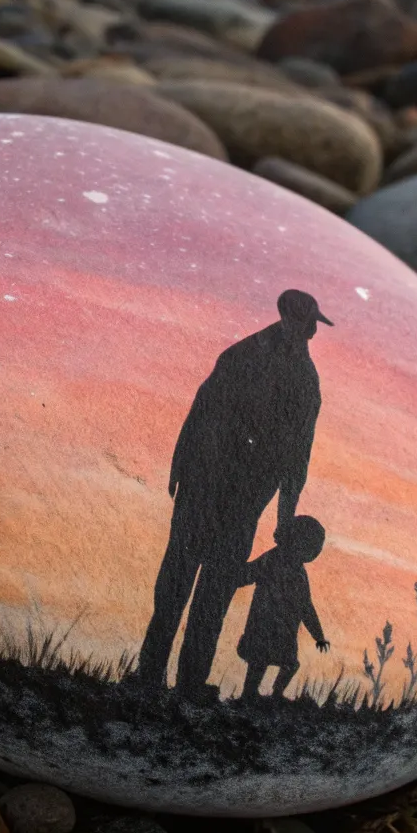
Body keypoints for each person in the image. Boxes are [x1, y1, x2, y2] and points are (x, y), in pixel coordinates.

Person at [136, 290, 333, 695]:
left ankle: (188, 685)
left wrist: (284, 516)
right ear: (293, 320)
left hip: (240, 502)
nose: (312, 332)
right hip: (205, 490)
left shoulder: (301, 379)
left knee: (212, 595)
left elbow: (297, 456)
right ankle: (151, 676)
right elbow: (203, 410)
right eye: (309, 323)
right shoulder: (247, 357)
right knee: (176, 587)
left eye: (313, 325)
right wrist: (181, 465)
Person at [236, 515, 330, 701]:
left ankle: (275, 694)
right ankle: (249, 694)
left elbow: (306, 606)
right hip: (263, 624)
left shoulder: (298, 571)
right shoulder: (273, 559)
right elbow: (248, 574)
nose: (315, 553)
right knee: (259, 662)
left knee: (288, 664)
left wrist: (318, 636)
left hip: (284, 629)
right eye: (312, 547)